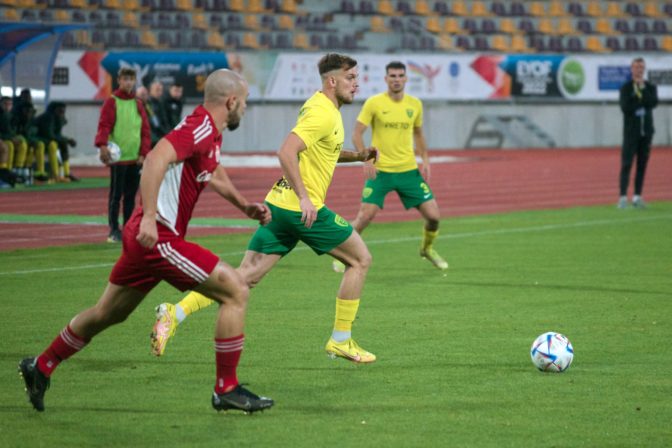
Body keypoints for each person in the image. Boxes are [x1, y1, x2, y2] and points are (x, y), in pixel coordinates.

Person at [18, 69, 274, 414]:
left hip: (146, 239)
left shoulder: (209, 133)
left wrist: (244, 205)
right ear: (231, 101)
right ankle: (226, 388)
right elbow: (155, 158)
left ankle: (41, 366)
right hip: (158, 236)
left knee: (108, 313)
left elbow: (212, 170)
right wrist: (151, 216)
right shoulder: (199, 127)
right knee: (236, 291)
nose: (244, 108)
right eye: (244, 102)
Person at [150, 54, 379, 365]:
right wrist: (305, 198)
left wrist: (360, 155)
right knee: (360, 259)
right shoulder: (324, 114)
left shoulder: (321, 107)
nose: (357, 83)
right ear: (332, 81)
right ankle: (341, 339)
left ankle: (174, 313)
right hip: (301, 209)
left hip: (278, 205)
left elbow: (327, 150)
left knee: (244, 277)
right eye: (351, 78)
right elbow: (286, 152)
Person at [333, 61, 447, 273]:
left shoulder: (415, 105)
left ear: (406, 78)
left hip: (408, 171)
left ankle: (427, 248)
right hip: (381, 172)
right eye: (392, 76)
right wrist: (365, 158)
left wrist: (426, 159)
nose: (396, 79)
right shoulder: (374, 103)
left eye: (400, 75)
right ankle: (343, 254)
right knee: (364, 217)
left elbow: (419, 134)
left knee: (434, 217)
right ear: (386, 79)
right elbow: (357, 132)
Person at [95, 68, 151, 243]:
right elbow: (104, 125)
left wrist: (144, 153)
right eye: (125, 79)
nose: (128, 82)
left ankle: (128, 228)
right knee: (115, 196)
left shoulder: (139, 104)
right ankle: (113, 230)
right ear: (119, 80)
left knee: (130, 197)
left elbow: (145, 131)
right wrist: (102, 145)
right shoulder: (111, 102)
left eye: (131, 79)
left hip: (134, 159)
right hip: (118, 159)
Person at [618, 57, 658, 209]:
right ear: (631, 69)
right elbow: (625, 107)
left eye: (641, 67)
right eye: (636, 67)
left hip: (646, 132)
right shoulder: (626, 88)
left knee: (642, 165)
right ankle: (622, 197)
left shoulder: (649, 87)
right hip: (631, 133)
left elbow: (653, 103)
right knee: (627, 164)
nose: (639, 70)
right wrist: (639, 102)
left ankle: (637, 196)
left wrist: (642, 90)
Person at [33, 102, 78, 182]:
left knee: (62, 145)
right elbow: (49, 135)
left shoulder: (59, 118)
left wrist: (66, 140)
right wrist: (67, 140)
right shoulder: (48, 117)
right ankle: (53, 174)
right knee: (53, 145)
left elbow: (57, 134)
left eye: (63, 111)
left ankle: (66, 172)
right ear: (53, 110)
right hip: (39, 139)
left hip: (47, 139)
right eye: (60, 110)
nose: (62, 112)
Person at [146, 80, 168, 147]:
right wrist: (168, 134)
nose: (159, 92)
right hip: (153, 140)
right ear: (150, 91)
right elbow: (156, 124)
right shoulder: (148, 104)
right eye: (157, 90)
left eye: (161, 90)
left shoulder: (161, 103)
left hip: (160, 137)